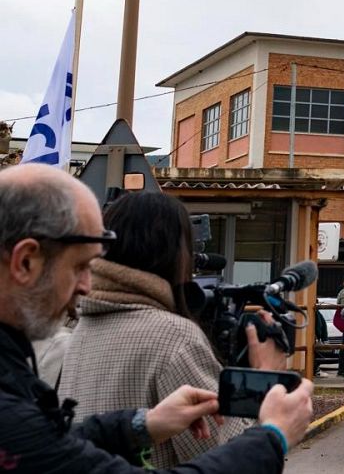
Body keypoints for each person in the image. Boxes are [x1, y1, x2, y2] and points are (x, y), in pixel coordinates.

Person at [0, 163, 312, 474]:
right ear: (25, 261)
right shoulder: (173, 338)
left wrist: (142, 425)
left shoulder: (53, 342)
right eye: (81, 266)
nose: (85, 284)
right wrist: (271, 433)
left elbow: (51, 446)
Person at [60, 191, 290, 467]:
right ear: (176, 254)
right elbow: (225, 456)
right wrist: (261, 378)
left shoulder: (77, 326)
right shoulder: (172, 336)